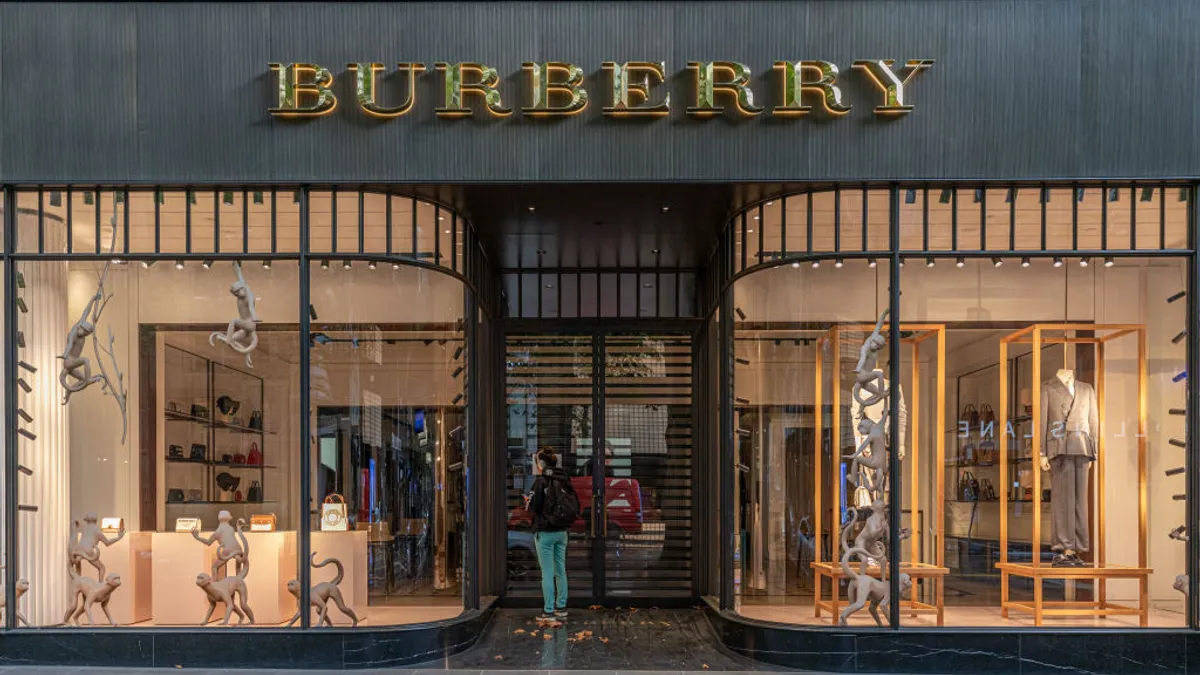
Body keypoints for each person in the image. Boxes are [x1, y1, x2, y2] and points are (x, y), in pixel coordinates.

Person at [528, 447, 574, 621]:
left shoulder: (541, 482)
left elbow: (535, 506)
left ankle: (548, 611)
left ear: (540, 464)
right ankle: (561, 608)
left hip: (545, 532)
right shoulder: (564, 479)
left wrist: (529, 502)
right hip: (562, 531)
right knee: (560, 570)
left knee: (547, 572)